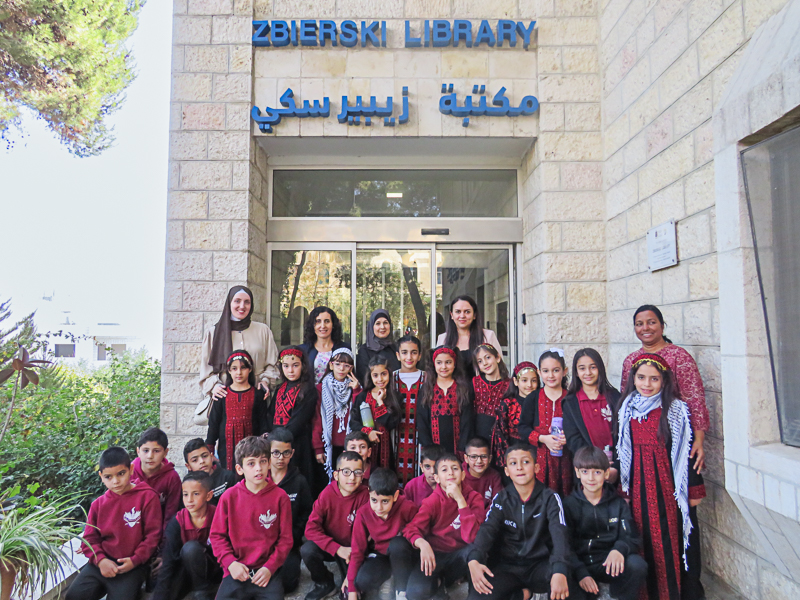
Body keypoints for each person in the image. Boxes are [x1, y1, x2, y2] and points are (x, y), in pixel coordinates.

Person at [616, 354, 705, 600]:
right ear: (633, 379)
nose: (647, 384)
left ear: (664, 381)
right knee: (642, 543)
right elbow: (622, 452)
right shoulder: (626, 409)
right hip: (637, 491)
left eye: (654, 379)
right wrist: (623, 491)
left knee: (669, 544)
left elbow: (687, 453)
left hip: (668, 492)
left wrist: (694, 489)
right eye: (641, 377)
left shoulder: (675, 410)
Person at [465, 443, 577, 600]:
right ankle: (523, 595)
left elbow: (560, 533)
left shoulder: (550, 498)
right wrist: (474, 558)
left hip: (541, 566)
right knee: (478, 594)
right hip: (508, 567)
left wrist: (559, 569)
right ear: (507, 471)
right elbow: (488, 529)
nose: (519, 468)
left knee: (572, 589)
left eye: (525, 462)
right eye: (513, 463)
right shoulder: (502, 498)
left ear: (536, 468)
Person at [621, 305, 709, 474]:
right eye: (639, 324)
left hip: (674, 437)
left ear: (662, 326)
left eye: (651, 322)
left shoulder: (679, 357)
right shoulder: (631, 361)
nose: (645, 328)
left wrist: (698, 440)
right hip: (640, 441)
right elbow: (627, 401)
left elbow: (695, 401)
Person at [66, 447, 162, 600]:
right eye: (108, 477)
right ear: (101, 477)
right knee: (74, 596)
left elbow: (152, 536)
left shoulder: (147, 497)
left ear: (131, 469)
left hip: (132, 565)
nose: (116, 481)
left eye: (121, 474)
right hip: (101, 562)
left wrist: (135, 560)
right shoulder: (98, 505)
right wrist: (101, 560)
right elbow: (89, 540)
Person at [210, 436, 293, 600]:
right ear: (240, 469)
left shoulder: (280, 497)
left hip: (266, 573)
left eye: (263, 461)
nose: (258, 468)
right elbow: (216, 536)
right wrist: (230, 563)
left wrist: (270, 568)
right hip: (236, 570)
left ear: (269, 464)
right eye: (251, 463)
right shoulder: (229, 497)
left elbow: (285, 539)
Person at [397, 453, 486, 600]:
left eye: (455, 468)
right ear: (437, 478)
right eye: (444, 470)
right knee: (415, 592)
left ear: (463, 475)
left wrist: (460, 500)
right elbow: (411, 529)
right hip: (435, 556)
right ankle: (440, 585)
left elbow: (472, 537)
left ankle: (474, 595)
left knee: (477, 551)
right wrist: (423, 543)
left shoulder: (474, 498)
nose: (450, 472)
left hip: (462, 555)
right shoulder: (432, 501)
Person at [565, 447, 647, 600]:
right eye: (585, 472)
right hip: (580, 565)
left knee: (637, 565)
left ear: (606, 473)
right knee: (560, 575)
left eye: (597, 472)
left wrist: (619, 550)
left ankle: (618, 595)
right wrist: (581, 572)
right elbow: (564, 545)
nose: (591, 478)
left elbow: (632, 537)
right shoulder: (568, 504)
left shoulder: (618, 504)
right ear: (577, 473)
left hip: (609, 563)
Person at [302, 451, 370, 600]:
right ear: (336, 475)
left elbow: (365, 535)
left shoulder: (366, 496)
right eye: (346, 472)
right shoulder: (327, 494)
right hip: (333, 546)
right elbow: (310, 529)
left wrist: (350, 579)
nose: (352, 477)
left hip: (355, 550)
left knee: (350, 595)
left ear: (363, 474)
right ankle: (325, 583)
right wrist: (337, 548)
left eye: (357, 472)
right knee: (307, 550)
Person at [199, 285, 280, 405]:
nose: (242, 306)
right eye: (237, 301)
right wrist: (214, 386)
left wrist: (266, 381)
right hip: (225, 399)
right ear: (229, 303)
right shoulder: (214, 333)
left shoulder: (263, 330)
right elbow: (206, 371)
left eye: (247, 302)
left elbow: (273, 364)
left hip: (257, 399)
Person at [346, 469, 417, 600]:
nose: (379, 507)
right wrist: (351, 589)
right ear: (369, 494)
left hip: (402, 556)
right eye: (374, 500)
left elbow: (418, 533)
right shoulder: (363, 513)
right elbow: (357, 551)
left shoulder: (407, 507)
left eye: (385, 501)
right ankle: (390, 578)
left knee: (398, 544)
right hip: (382, 556)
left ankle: (401, 592)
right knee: (362, 581)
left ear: (395, 496)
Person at [152, 471, 222, 600]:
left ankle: (202, 591)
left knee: (191, 548)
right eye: (185, 494)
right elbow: (169, 561)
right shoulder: (177, 522)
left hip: (215, 569)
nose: (189, 500)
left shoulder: (219, 516)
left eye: (196, 494)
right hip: (187, 570)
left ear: (208, 495)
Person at [266, 427, 313, 593]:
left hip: (288, 544)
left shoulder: (299, 481)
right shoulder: (259, 479)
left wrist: (294, 535)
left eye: (286, 453)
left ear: (292, 453)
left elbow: (306, 513)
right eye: (276, 453)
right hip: (261, 543)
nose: (281, 458)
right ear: (268, 453)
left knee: (288, 584)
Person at [519, 349, 572, 496]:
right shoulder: (533, 398)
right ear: (539, 372)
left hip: (567, 461)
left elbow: (579, 428)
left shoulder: (571, 399)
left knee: (565, 496)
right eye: (546, 371)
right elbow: (522, 428)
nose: (551, 375)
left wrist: (568, 438)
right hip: (539, 460)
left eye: (556, 370)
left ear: (564, 371)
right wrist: (543, 438)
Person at [206, 350, 269, 471]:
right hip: (225, 452)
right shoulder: (222, 394)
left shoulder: (258, 394)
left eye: (243, 368)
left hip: (253, 453)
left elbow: (263, 424)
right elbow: (213, 424)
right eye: (234, 368)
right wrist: (209, 449)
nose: (238, 372)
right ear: (229, 371)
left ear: (250, 369)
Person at [265, 347, 318, 489]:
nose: (291, 370)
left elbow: (300, 419)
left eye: (295, 366)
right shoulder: (280, 388)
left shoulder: (308, 390)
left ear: (303, 366)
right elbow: (271, 414)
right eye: (286, 366)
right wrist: (270, 435)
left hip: (298, 443)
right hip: (276, 444)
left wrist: (280, 438)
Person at [563, 348, 620, 479]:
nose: (588, 372)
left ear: (600, 368)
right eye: (582, 368)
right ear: (576, 372)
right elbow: (573, 440)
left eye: (593, 367)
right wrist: (594, 462)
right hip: (586, 467)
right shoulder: (571, 402)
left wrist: (616, 465)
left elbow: (623, 434)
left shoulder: (614, 396)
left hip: (614, 466)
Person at [312, 347, 361, 479]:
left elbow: (359, 412)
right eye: (337, 364)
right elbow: (317, 419)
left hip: (348, 444)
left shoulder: (355, 388)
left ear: (351, 369)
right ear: (331, 365)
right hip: (328, 444)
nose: (341, 369)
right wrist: (318, 448)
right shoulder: (321, 388)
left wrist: (356, 391)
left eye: (346, 366)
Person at [417, 346, 475, 455]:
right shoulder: (427, 389)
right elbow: (422, 422)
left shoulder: (463, 389)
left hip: (458, 450)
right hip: (433, 451)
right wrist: (429, 448)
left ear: (455, 364)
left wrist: (462, 449)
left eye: (448, 362)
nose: (443, 367)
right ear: (434, 364)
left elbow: (467, 422)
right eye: (439, 363)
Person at [350, 355, 402, 471]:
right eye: (375, 375)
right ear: (370, 376)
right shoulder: (363, 396)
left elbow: (391, 423)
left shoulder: (395, 397)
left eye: (383, 374)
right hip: (365, 447)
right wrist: (368, 432)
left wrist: (380, 402)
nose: (380, 379)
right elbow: (353, 422)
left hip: (387, 448)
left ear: (389, 374)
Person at [436, 295, 502, 376]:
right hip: (452, 387)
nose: (462, 316)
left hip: (482, 387)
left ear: (474, 315)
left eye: (467, 312)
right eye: (458, 312)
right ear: (451, 315)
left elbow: (500, 367)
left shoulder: (488, 336)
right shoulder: (442, 339)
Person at [132, 427, 182, 533]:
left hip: (158, 532)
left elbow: (170, 515)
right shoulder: (128, 473)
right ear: (138, 451)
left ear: (165, 452)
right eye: (145, 450)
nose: (150, 456)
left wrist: (163, 543)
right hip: (131, 530)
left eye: (156, 451)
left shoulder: (172, 478)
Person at [393, 334, 426, 484]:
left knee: (418, 476)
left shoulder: (427, 378)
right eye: (405, 352)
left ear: (419, 355)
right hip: (396, 435)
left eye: (413, 352)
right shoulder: (390, 378)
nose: (409, 357)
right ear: (398, 355)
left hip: (419, 437)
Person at [493, 362, 539, 469]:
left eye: (533, 381)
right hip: (513, 452)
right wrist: (507, 459)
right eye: (524, 380)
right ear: (515, 381)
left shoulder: (541, 402)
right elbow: (501, 434)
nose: (529, 385)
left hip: (537, 451)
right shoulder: (507, 404)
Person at [471, 344, 510, 447]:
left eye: (488, 357)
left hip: (500, 438)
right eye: (480, 361)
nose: (485, 363)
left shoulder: (508, 385)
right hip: (477, 436)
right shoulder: (475, 383)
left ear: (497, 358)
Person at [300, 306, 350, 384]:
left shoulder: (344, 348)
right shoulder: (303, 350)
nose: (323, 326)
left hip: (337, 394)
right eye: (318, 321)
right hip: (310, 394)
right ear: (312, 325)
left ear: (333, 325)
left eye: (327, 321)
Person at [183, 438, 238, 505]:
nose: (202, 461)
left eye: (205, 456)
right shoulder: (187, 484)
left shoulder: (227, 478)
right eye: (195, 460)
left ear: (212, 456)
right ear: (188, 466)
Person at [355, 308, 400, 383]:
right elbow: (364, 378)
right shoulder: (364, 351)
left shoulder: (396, 348)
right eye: (378, 323)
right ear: (372, 327)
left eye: (385, 323)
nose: (382, 327)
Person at [462, 437, 502, 507]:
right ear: (466, 458)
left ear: (490, 458)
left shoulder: (494, 476)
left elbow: (498, 503)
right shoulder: (459, 475)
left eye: (483, 456)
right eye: (474, 457)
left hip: (488, 516)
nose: (479, 461)